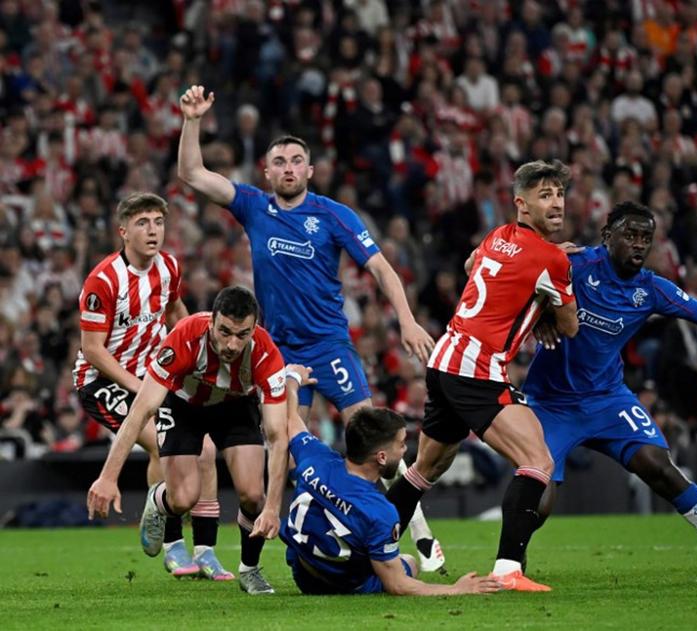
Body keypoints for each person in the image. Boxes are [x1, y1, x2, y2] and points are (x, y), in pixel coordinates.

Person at [176, 84, 444, 571]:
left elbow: (381, 268)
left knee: (372, 437)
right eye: (278, 161)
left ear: (310, 170)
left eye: (296, 160)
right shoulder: (254, 206)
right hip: (278, 354)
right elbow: (192, 173)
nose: (288, 168)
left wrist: (406, 320)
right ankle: (271, 549)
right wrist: (192, 120)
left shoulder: (333, 215)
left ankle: (419, 534)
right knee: (283, 446)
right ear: (267, 171)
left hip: (329, 346)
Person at [524, 201, 697, 581]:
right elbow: (510, 279)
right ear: (608, 236)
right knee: (538, 495)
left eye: (646, 238)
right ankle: (513, 559)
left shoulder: (652, 289)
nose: (639, 244)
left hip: (608, 399)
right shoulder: (573, 264)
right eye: (630, 235)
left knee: (661, 468)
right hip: (552, 402)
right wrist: (539, 313)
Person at [385, 160, 579, 592]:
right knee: (538, 461)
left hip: (444, 358)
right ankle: (509, 569)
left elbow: (476, 264)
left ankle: (373, 550)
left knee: (423, 470)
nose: (556, 202)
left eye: (559, 194)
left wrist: (529, 293)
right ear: (521, 205)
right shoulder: (552, 258)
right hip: (477, 369)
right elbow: (569, 327)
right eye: (544, 195)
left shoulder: (497, 238)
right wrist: (545, 303)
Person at [87, 286, 291, 595]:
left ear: (254, 329)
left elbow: (277, 437)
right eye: (225, 332)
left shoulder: (265, 352)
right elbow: (141, 410)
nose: (233, 344)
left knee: (253, 495)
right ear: (212, 322)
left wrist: (274, 507)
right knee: (183, 499)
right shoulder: (185, 336)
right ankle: (158, 502)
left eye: (242, 335)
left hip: (235, 408)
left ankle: (250, 570)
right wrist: (107, 477)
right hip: (184, 407)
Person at [73, 192, 224, 579]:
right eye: (143, 223)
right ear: (123, 231)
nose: (152, 230)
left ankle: (206, 550)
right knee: (166, 445)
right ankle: (173, 543)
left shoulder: (169, 267)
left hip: (151, 377)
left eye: (158, 222)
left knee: (205, 450)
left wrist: (198, 352)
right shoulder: (103, 280)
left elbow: (176, 311)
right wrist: (140, 387)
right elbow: (92, 351)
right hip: (102, 381)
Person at [278, 364, 501, 596]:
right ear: (381, 457)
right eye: (401, 444)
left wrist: (292, 380)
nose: (404, 450)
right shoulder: (380, 511)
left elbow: (291, 419)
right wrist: (457, 589)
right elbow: (398, 585)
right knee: (409, 563)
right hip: (341, 585)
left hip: (302, 573)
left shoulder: (314, 456)